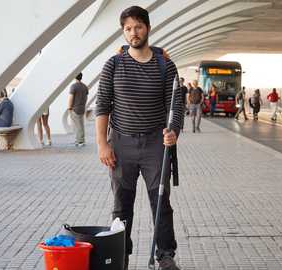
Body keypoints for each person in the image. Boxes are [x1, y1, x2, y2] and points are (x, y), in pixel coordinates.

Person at [95, 6, 184, 270]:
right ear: (124, 32)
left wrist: (174, 131)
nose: (133, 33)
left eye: (138, 27)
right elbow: (102, 106)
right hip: (120, 143)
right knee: (122, 203)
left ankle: (165, 255)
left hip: (156, 143)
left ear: (148, 28)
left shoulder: (165, 64)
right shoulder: (114, 64)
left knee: (160, 201)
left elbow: (175, 105)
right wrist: (103, 144)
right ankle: (120, 254)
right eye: (128, 29)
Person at [68, 72, 88, 146]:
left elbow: (71, 98)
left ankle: (79, 141)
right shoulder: (85, 86)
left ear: (75, 77)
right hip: (81, 108)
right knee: (81, 125)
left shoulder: (73, 86)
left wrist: (69, 108)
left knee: (76, 125)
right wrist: (83, 104)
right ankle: (82, 140)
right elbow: (86, 98)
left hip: (75, 108)